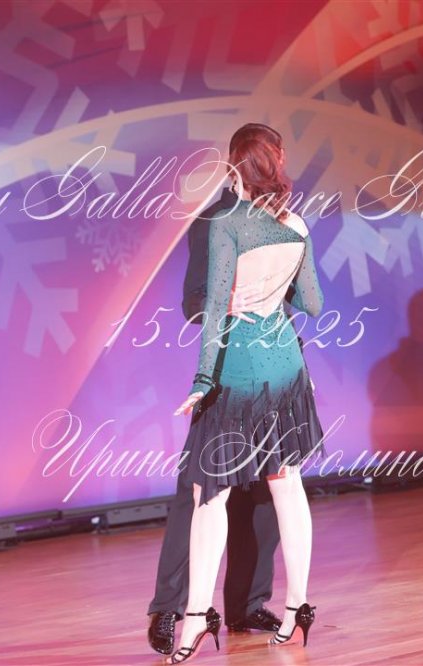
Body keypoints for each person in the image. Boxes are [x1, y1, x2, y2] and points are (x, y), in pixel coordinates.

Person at [166, 123, 325, 664]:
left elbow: (214, 311)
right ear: (277, 161)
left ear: (235, 165)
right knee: (287, 486)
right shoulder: (296, 225)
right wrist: (273, 288)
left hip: (238, 373)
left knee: (209, 494)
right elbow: (314, 304)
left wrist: (202, 382)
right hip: (287, 369)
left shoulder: (227, 224)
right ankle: (298, 610)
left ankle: (195, 619)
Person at [146, 182, 283, 656]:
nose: (275, 172)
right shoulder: (213, 221)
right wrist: (229, 304)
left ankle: (248, 604)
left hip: (272, 369)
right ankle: (170, 607)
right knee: (200, 490)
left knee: (266, 489)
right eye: (267, 161)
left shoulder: (279, 220)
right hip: (224, 371)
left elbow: (295, 299)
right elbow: (193, 302)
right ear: (239, 168)